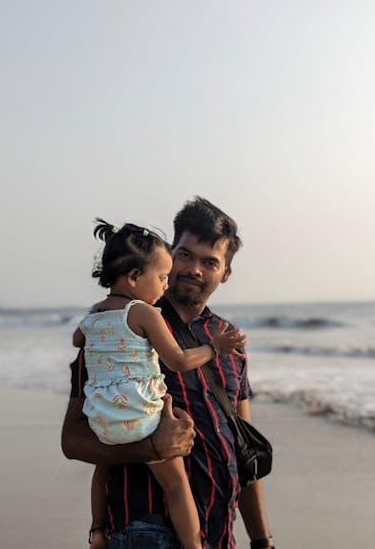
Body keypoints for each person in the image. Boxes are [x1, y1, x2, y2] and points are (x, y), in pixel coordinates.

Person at [62, 197, 273, 549]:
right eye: (185, 255)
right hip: (144, 531)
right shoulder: (118, 330)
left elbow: (242, 450)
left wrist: (261, 541)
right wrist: (149, 446)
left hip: (219, 533)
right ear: (169, 254)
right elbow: (72, 441)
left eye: (209, 262)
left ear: (226, 273)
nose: (193, 269)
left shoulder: (229, 342)